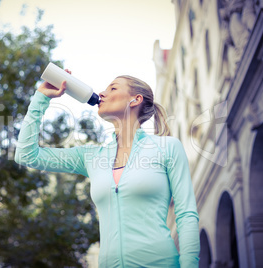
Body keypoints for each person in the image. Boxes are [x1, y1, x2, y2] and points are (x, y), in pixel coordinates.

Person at [15, 70, 200, 267]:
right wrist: (41, 98)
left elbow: (186, 215)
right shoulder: (91, 156)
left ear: (135, 99)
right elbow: (26, 155)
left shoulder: (167, 147)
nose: (102, 93)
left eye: (113, 88)